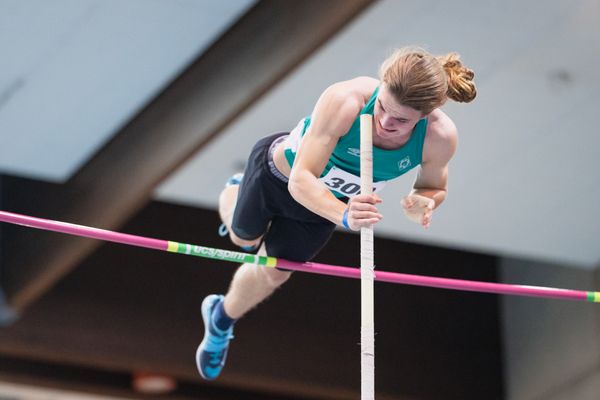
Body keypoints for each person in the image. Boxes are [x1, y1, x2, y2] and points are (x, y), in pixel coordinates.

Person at [196, 46, 477, 380]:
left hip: (325, 207)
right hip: (280, 177)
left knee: (275, 272)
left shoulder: (439, 138)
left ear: (427, 115)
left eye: (401, 120)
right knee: (243, 239)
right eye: (384, 107)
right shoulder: (346, 100)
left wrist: (424, 202)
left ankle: (220, 320)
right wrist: (345, 217)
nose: (386, 123)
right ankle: (236, 188)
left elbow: (433, 187)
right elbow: (301, 180)